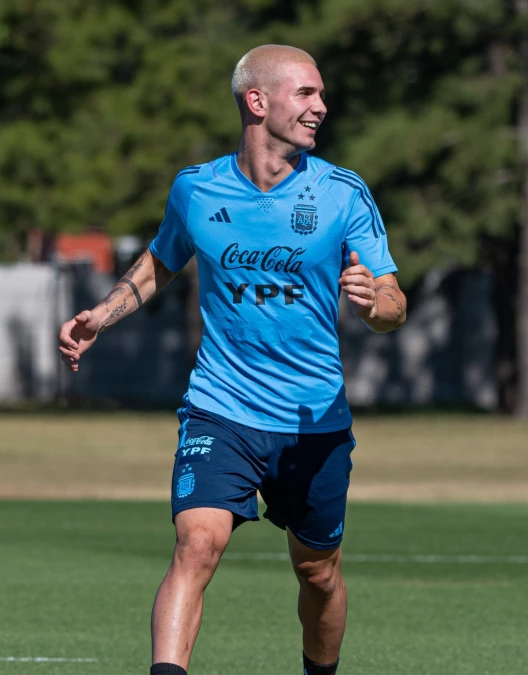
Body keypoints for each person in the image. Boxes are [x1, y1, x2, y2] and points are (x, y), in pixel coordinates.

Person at [57, 45, 406, 675]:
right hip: (221, 408)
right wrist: (101, 315)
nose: (320, 107)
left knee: (319, 572)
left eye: (320, 95)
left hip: (313, 420)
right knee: (197, 544)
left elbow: (389, 296)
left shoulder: (342, 193)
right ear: (257, 101)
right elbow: (163, 259)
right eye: (305, 94)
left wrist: (375, 304)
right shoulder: (196, 189)